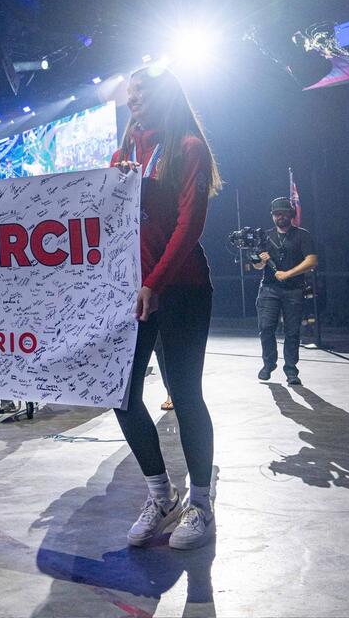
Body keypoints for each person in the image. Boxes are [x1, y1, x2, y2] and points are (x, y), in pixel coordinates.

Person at [109, 65, 222, 551]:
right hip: (132, 291)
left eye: (142, 92)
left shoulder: (188, 149)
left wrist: (155, 282)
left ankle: (200, 503)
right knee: (121, 394)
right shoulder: (124, 151)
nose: (132, 100)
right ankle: (162, 494)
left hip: (181, 289)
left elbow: (188, 224)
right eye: (130, 93)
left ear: (166, 96)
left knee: (185, 394)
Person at [253, 197, 318, 385]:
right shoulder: (265, 237)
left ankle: (291, 370)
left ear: (291, 214)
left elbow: (311, 261)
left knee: (292, 332)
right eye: (277, 214)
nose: (281, 217)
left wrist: (288, 273)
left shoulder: (302, 235)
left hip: (294, 290)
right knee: (265, 328)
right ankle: (269, 363)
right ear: (272, 216)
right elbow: (256, 266)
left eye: (284, 213)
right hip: (269, 289)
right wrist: (261, 261)